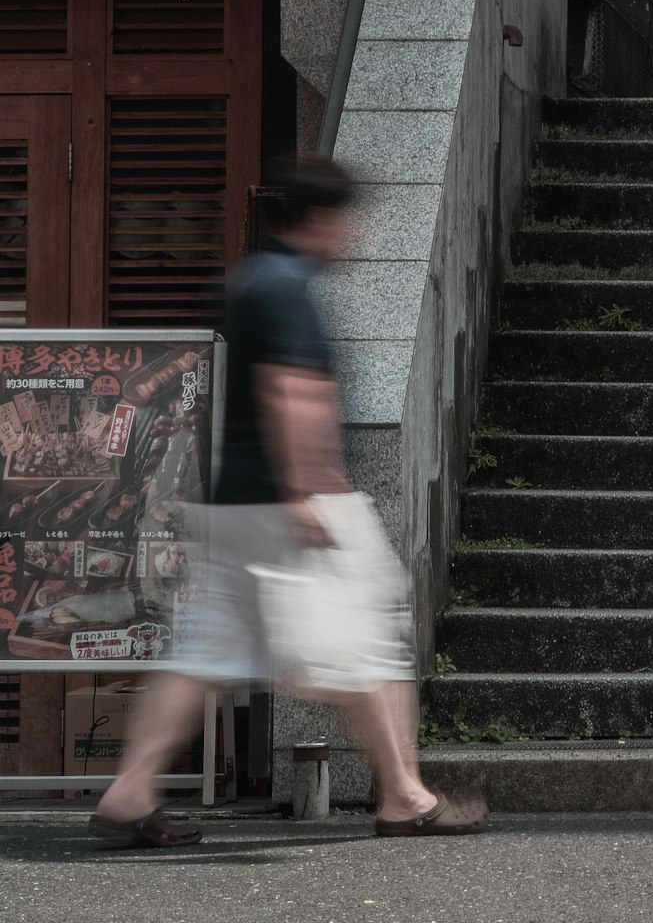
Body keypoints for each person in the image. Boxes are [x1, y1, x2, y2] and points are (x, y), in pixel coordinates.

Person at [92, 160, 486, 847]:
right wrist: (307, 492)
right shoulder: (286, 289)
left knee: (203, 653)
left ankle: (128, 793)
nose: (355, 236)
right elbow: (292, 390)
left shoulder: (248, 280)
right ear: (325, 219)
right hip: (288, 504)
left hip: (234, 506)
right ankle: (404, 795)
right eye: (350, 221)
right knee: (370, 641)